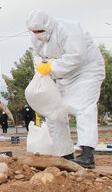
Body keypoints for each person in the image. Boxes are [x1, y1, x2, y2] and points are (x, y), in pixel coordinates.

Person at [27, 10, 105, 168]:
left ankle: (87, 154)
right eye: (34, 32)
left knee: (83, 107)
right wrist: (40, 66)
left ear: (49, 26)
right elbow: (37, 54)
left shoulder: (68, 30)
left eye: (40, 31)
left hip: (86, 72)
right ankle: (65, 155)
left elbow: (76, 57)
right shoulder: (36, 37)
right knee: (54, 112)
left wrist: (51, 66)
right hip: (62, 76)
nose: (38, 35)